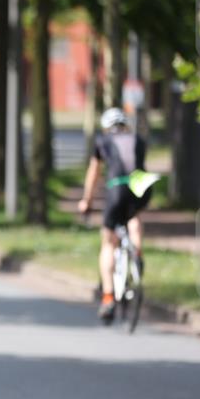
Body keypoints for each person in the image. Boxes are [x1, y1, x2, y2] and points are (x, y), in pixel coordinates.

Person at [78, 107, 150, 323]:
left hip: (117, 189)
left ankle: (108, 297)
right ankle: (137, 253)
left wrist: (87, 201)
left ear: (106, 127)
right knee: (134, 218)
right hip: (141, 188)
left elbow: (94, 173)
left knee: (109, 242)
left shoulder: (103, 141)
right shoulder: (138, 140)